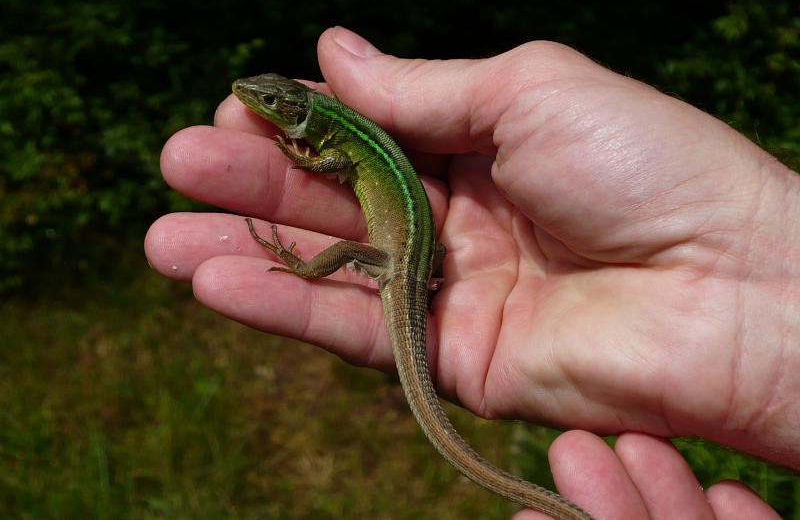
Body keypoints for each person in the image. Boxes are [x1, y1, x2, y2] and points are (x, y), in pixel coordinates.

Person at [145, 27, 796, 518]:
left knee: (342, 260)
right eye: (262, 97)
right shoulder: (346, 134)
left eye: (267, 101)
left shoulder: (339, 139)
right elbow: (342, 161)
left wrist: (303, 204)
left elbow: (334, 166)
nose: (252, 101)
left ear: (300, 114)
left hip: (402, 270)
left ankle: (301, 268)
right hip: (415, 266)